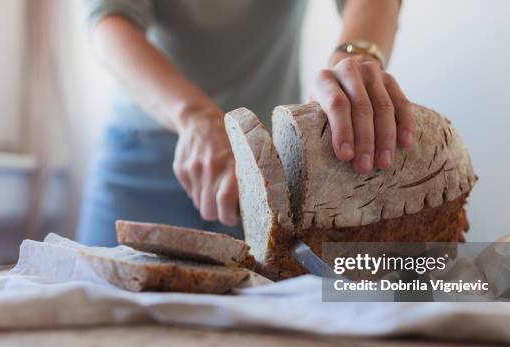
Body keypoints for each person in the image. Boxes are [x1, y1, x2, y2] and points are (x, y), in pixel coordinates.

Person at [77, 0, 414, 246]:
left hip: (269, 170)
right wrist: (195, 116)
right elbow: (109, 21)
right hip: (143, 159)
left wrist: (353, 60)